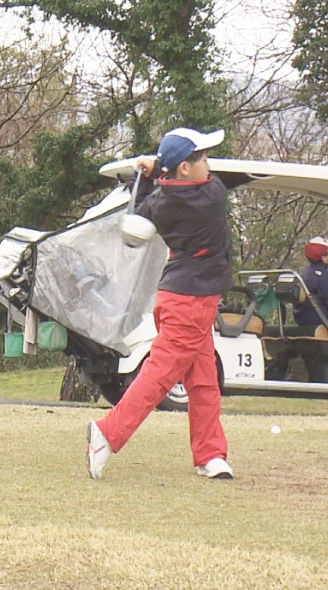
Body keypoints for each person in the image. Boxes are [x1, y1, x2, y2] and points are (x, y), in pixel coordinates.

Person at [86, 128, 234, 479]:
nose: (208, 165)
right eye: (201, 159)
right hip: (191, 301)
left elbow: (142, 206)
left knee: (203, 379)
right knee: (158, 376)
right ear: (185, 168)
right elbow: (210, 183)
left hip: (180, 294)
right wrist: (155, 168)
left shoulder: (161, 200)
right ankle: (107, 432)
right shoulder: (211, 195)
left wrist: (149, 173)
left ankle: (210, 455)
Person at [293, 236, 328, 326]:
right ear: (323, 257)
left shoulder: (304, 274)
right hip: (321, 320)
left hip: (303, 320)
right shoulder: (323, 275)